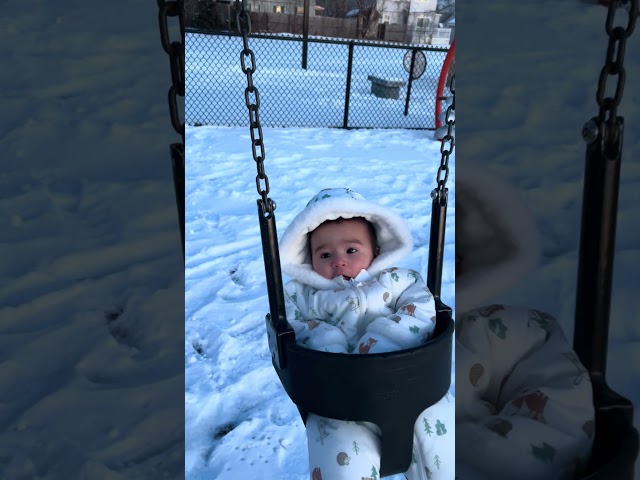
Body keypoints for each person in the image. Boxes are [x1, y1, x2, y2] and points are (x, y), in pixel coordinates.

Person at [278, 187, 454, 480]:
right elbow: (292, 324)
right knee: (340, 456)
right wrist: (332, 351)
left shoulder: (398, 280)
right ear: (309, 260)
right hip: (338, 401)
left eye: (351, 250)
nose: (339, 261)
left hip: (413, 387)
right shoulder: (302, 295)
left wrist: (379, 343)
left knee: (443, 447)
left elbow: (422, 309)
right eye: (325, 254)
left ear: (376, 250)